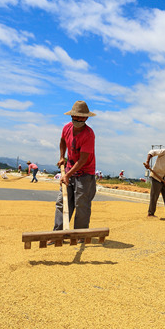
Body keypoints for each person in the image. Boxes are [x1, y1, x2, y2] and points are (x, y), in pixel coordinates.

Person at [52, 100, 97, 236]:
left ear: (86, 118)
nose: (78, 119)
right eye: (75, 116)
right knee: (62, 202)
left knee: (81, 204)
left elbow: (83, 160)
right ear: (71, 116)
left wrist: (67, 174)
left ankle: (80, 234)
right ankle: (58, 233)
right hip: (70, 170)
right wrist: (62, 157)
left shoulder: (88, 134)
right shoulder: (66, 128)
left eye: (81, 117)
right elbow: (62, 141)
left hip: (85, 173)